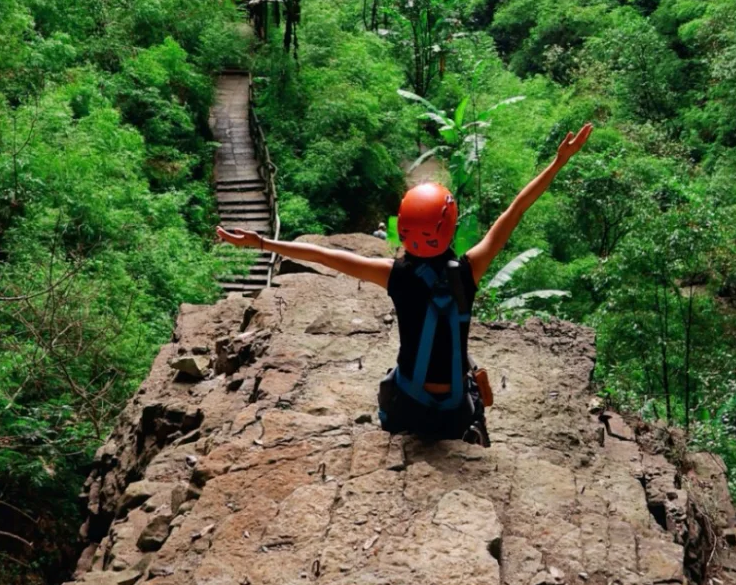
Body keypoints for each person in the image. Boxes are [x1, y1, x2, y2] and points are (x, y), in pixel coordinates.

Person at [217, 122, 593, 444]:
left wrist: (262, 242)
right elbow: (516, 210)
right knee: (469, 382)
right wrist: (558, 162)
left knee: (390, 380)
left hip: (408, 407)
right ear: (449, 227)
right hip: (454, 413)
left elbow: (323, 256)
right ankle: (473, 430)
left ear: (403, 227)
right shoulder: (470, 270)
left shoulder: (393, 273)